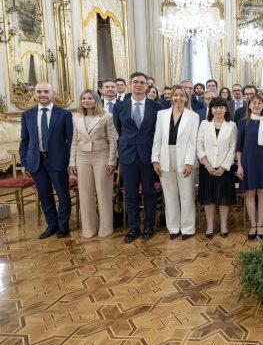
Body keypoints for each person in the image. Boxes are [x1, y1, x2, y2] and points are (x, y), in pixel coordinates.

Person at [113, 72, 163, 242]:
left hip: (148, 156)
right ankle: (134, 226)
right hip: (128, 156)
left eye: (142, 82)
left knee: (149, 193)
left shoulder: (156, 107)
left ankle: (149, 224)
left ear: (147, 86)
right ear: (130, 84)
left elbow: (158, 132)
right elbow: (119, 130)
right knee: (131, 194)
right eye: (135, 82)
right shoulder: (119, 107)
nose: (139, 85)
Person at [19, 82, 74, 239]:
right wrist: (24, 162)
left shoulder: (64, 115)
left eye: (45, 91)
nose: (42, 94)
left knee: (63, 194)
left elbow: (70, 141)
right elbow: (24, 140)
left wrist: (71, 162)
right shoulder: (27, 115)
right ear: (34, 94)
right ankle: (52, 225)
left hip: (58, 161)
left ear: (52, 93)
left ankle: (63, 226)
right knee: (44, 195)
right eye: (39, 91)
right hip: (36, 161)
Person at [151, 85, 199, 240]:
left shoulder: (193, 116)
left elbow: (193, 142)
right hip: (165, 157)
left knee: (186, 195)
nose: (178, 98)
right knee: (169, 194)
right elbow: (157, 138)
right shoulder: (161, 114)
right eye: (175, 95)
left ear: (186, 98)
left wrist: (189, 162)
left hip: (185, 158)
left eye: (181, 95)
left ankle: (187, 228)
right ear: (171, 97)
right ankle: (173, 227)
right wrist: (155, 159)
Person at [69, 89, 118, 238]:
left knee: (104, 193)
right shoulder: (76, 117)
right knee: (85, 194)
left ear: (96, 100)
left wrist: (112, 161)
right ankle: (89, 228)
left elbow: (113, 139)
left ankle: (106, 227)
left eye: (89, 98)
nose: (86, 101)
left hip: (102, 156)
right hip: (82, 157)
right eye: (83, 98)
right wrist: (72, 162)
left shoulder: (106, 116)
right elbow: (74, 141)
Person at [236, 94, 263, 240]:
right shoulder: (243, 122)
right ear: (249, 106)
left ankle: (260, 224)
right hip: (248, 162)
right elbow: (239, 146)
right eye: (254, 103)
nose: (257, 105)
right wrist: (239, 166)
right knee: (250, 193)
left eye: (259, 103)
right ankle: (253, 224)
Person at [197, 97, 237, 239]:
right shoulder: (204, 124)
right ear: (211, 109)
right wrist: (207, 165)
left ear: (226, 109)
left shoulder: (232, 125)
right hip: (206, 168)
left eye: (221, 107)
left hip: (224, 169)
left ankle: (224, 226)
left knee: (223, 198)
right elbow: (199, 146)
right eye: (215, 107)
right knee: (208, 198)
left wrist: (223, 167)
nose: (218, 110)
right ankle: (210, 226)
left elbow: (233, 148)